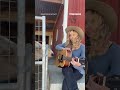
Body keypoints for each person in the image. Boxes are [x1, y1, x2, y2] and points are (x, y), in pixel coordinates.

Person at [85, 0, 120, 89]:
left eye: (92, 21)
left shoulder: (115, 51)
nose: (87, 26)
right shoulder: (85, 49)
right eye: (85, 22)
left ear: (102, 25)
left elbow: (116, 84)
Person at [55, 26, 85, 90]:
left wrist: (79, 64)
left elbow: (84, 61)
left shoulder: (82, 47)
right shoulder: (67, 44)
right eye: (70, 35)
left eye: (73, 35)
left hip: (78, 70)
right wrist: (63, 48)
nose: (71, 37)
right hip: (67, 66)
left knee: (66, 81)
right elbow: (57, 46)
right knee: (68, 71)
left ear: (78, 36)